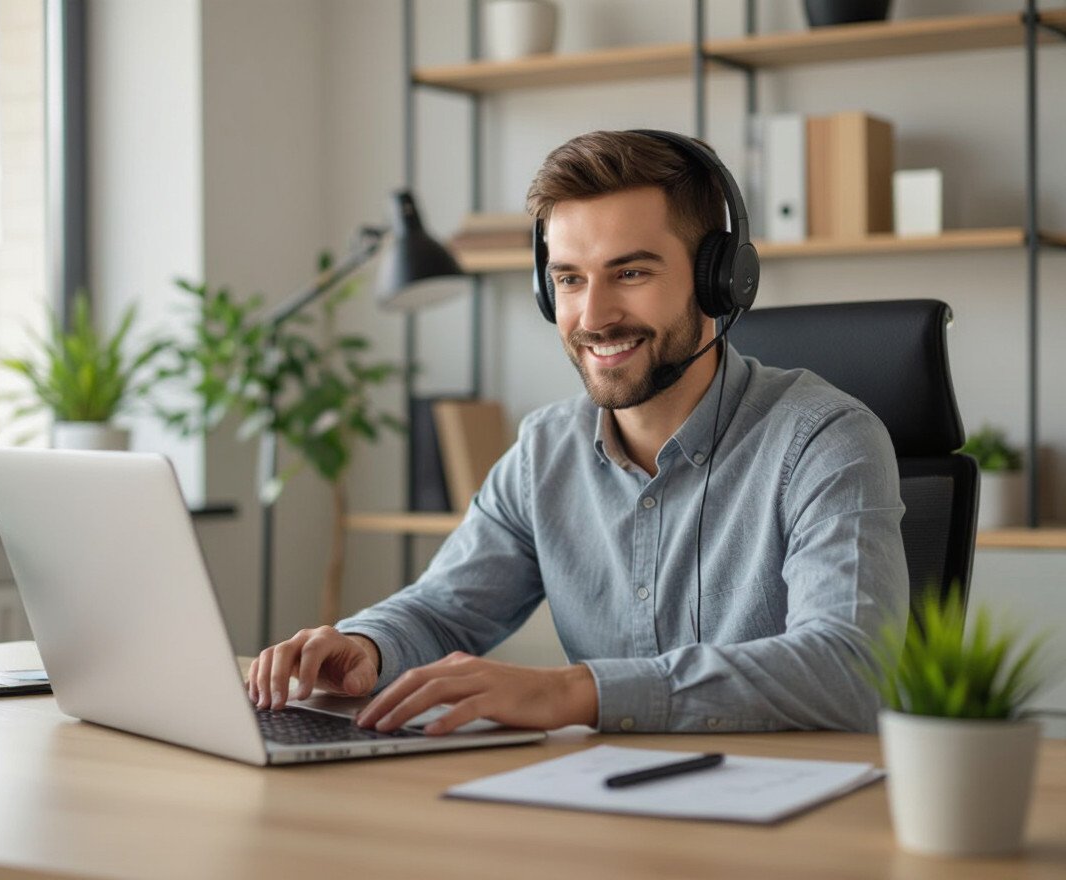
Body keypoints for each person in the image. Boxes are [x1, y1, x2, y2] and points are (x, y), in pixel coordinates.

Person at [247, 129, 908, 735]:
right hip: (601, 810)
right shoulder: (545, 452)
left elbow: (850, 669)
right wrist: (363, 647)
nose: (593, 316)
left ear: (719, 282)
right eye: (568, 279)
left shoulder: (826, 440)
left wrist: (580, 692)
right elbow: (445, 608)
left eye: (631, 273)